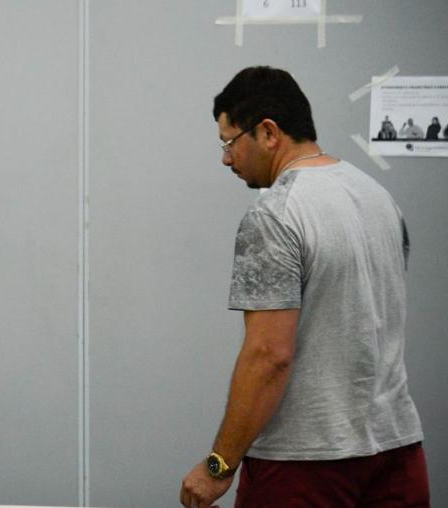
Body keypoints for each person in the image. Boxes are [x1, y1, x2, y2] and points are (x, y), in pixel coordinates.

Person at [179, 66, 428, 508]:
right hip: (397, 452)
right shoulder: (377, 197)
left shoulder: (275, 215)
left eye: (230, 142)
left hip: (305, 465)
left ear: (268, 132)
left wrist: (220, 464)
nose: (225, 158)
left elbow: (269, 355)